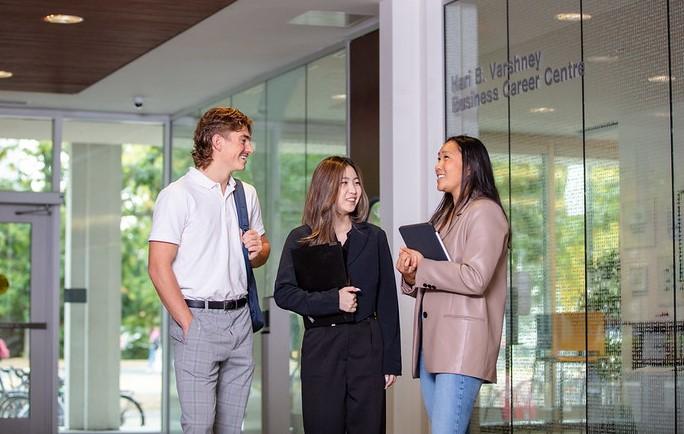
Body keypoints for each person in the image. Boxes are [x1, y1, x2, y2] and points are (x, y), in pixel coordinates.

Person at [148, 107, 270, 434]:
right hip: (197, 318)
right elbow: (158, 267)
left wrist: (260, 250)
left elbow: (260, 252)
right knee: (200, 426)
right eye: (243, 140)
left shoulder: (246, 194)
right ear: (218, 141)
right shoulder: (177, 196)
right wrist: (188, 324)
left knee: (232, 428)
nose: (250, 148)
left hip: (240, 320)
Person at [274, 156, 401, 434]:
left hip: (367, 348)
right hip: (322, 348)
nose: (353, 190)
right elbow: (284, 293)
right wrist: (333, 300)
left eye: (356, 183)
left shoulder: (375, 237)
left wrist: (391, 362)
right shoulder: (301, 238)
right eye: (344, 183)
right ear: (325, 187)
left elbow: (388, 303)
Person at [396, 135, 509, 434]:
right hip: (433, 346)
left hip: (461, 346)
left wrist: (424, 267)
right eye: (438, 157)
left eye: (446, 158)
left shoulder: (485, 212)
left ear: (470, 167)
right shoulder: (445, 217)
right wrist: (410, 275)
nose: (437, 165)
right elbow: (435, 278)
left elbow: (475, 277)